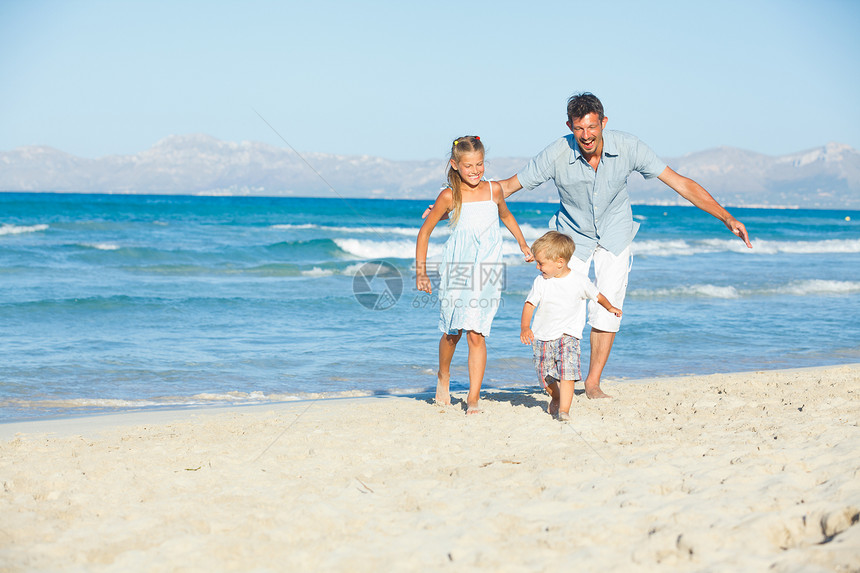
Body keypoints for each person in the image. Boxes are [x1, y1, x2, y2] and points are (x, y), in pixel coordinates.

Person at [499, 93, 752, 399]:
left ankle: (592, 383)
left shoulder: (629, 147)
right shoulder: (556, 152)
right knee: (562, 304)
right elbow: (507, 187)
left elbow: (680, 183)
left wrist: (726, 217)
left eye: (592, 127)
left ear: (603, 123)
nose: (587, 135)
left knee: (608, 310)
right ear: (570, 126)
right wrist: (451, 202)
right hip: (572, 237)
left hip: (615, 234)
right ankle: (559, 377)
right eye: (579, 128)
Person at [416, 136, 533, 414]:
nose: (475, 170)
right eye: (468, 165)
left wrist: (523, 243)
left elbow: (506, 216)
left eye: (479, 164)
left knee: (477, 333)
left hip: (488, 269)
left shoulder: (494, 190)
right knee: (452, 332)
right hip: (458, 267)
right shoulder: (449, 196)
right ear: (455, 165)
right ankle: (443, 376)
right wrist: (421, 272)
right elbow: (425, 232)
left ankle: (473, 398)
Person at [520, 232, 621, 421]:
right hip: (542, 338)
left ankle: (564, 410)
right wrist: (525, 327)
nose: (537, 267)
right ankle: (556, 396)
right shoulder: (541, 282)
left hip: (569, 336)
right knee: (545, 378)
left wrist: (610, 307)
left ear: (559, 262)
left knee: (568, 372)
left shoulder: (579, 280)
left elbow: (597, 295)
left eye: (541, 263)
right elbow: (529, 304)